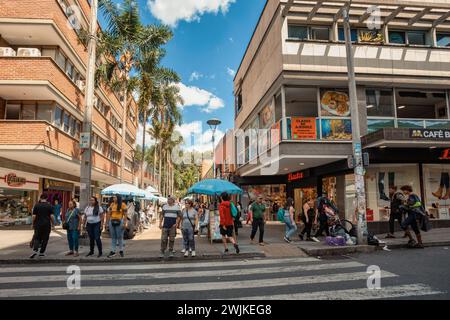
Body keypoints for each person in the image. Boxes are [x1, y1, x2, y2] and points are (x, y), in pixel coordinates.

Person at [30, 194, 55, 259]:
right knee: (45, 239)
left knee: (37, 237)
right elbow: (52, 216)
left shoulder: (37, 205)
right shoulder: (49, 206)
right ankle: (41, 253)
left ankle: (35, 250)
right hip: (46, 225)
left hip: (38, 224)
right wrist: (53, 224)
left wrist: (32, 224)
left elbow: (33, 216)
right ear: (46, 198)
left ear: (40, 198)